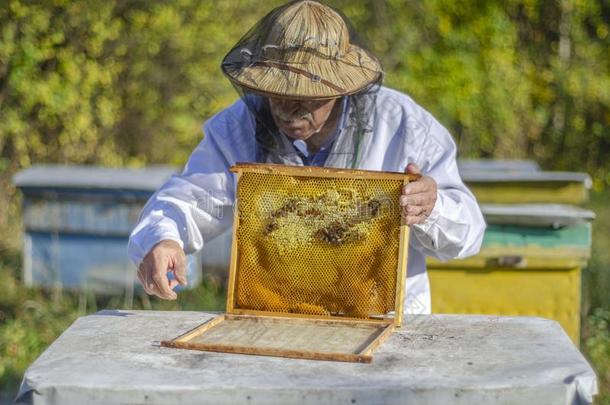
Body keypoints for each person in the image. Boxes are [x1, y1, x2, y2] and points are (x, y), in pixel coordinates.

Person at [128, 0, 486, 314]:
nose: (288, 109)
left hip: (383, 319)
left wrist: (432, 207)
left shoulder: (404, 126)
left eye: (308, 95)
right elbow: (188, 200)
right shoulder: (237, 127)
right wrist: (164, 238)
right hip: (272, 318)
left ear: (343, 88)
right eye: (277, 92)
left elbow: (469, 235)